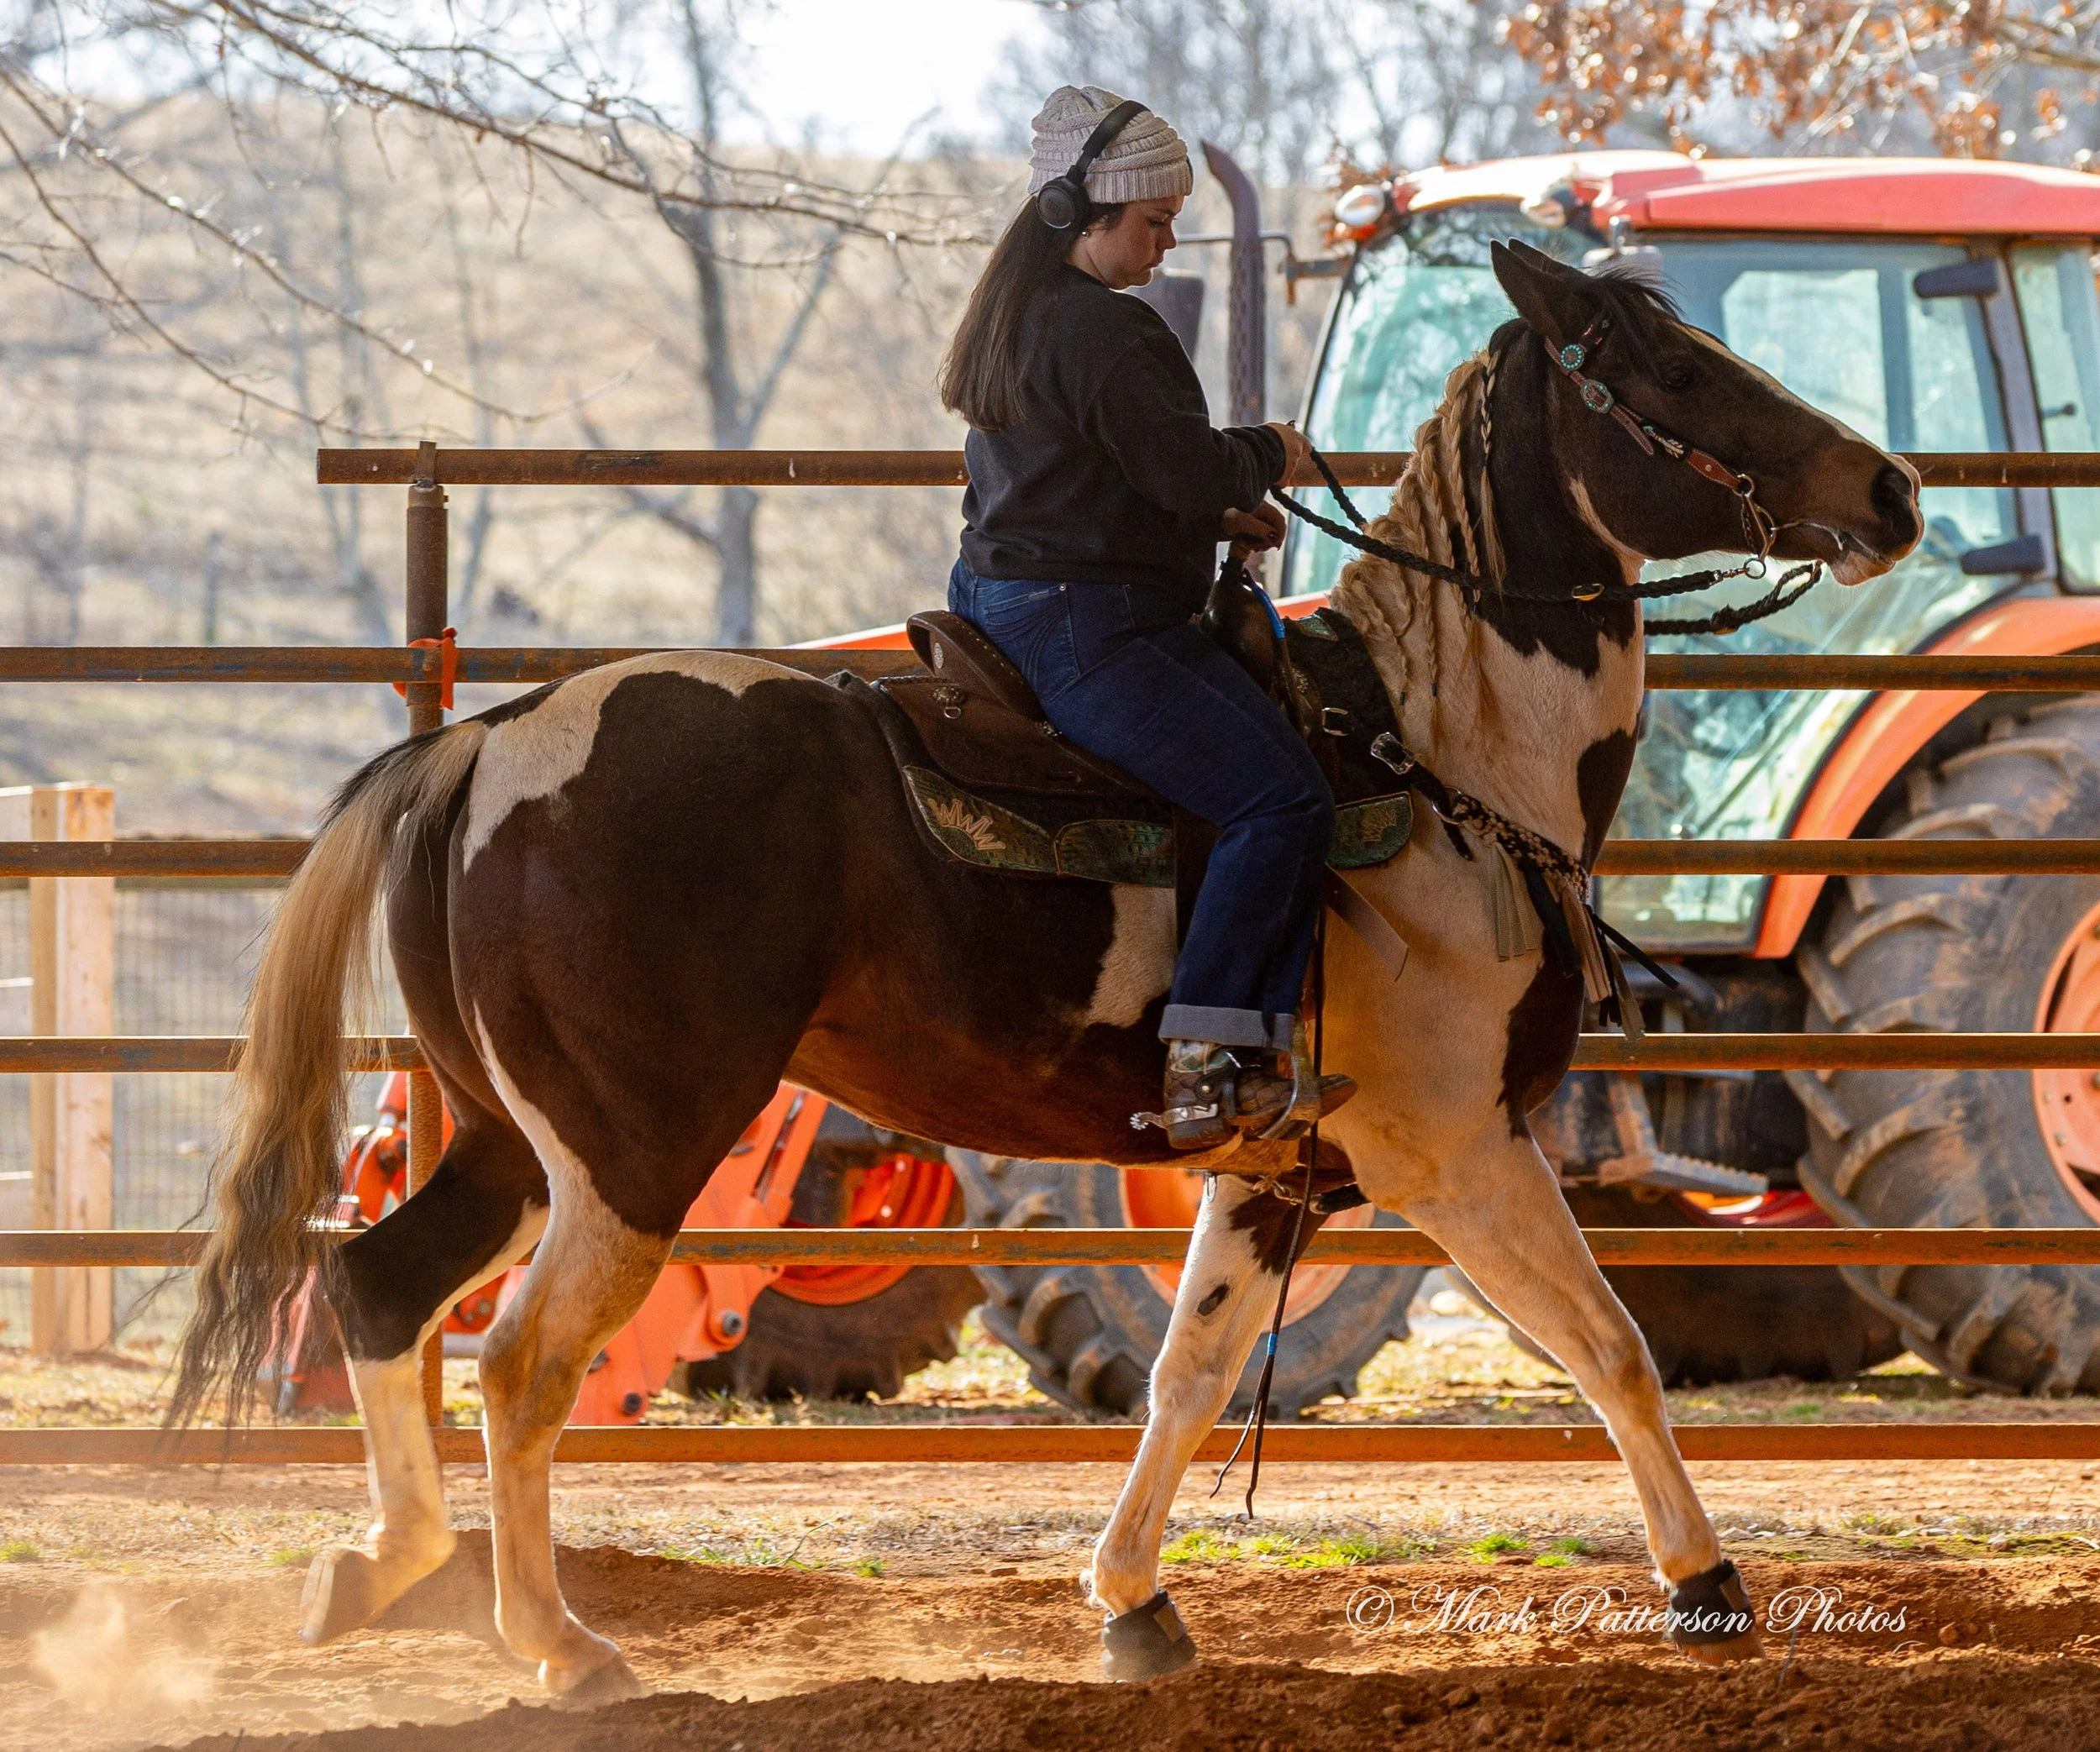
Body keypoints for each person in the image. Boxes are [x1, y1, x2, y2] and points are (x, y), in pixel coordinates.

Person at [937, 84, 1354, 1151]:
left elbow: (1090, 478)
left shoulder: (1013, 321)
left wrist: (1213, 506)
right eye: (1152, 222)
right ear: (1085, 216)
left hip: (996, 597)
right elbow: (1176, 467)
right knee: (1282, 800)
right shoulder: (1111, 332)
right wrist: (1268, 452)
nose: (1166, 243)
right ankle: (1209, 1059)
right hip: (1092, 625)